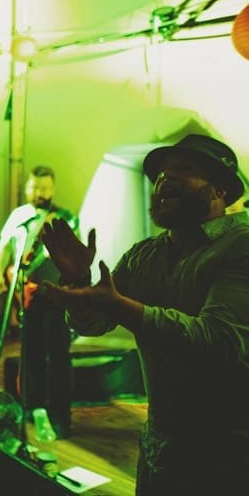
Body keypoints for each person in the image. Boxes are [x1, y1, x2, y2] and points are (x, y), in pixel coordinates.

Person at [40, 134, 249, 495]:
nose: (165, 179)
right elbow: (94, 323)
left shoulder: (240, 246)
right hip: (159, 447)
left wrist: (118, 305)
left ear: (220, 190)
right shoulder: (144, 255)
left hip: (227, 453)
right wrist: (79, 281)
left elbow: (219, 341)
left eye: (184, 169)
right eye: (161, 174)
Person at [0, 165, 77, 437]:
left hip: (55, 293)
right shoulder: (19, 216)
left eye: (44, 188)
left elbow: (74, 254)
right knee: (31, 352)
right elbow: (4, 247)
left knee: (58, 354)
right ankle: (32, 406)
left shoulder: (65, 217)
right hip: (26, 293)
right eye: (34, 187)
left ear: (52, 189)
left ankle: (60, 416)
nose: (39, 192)